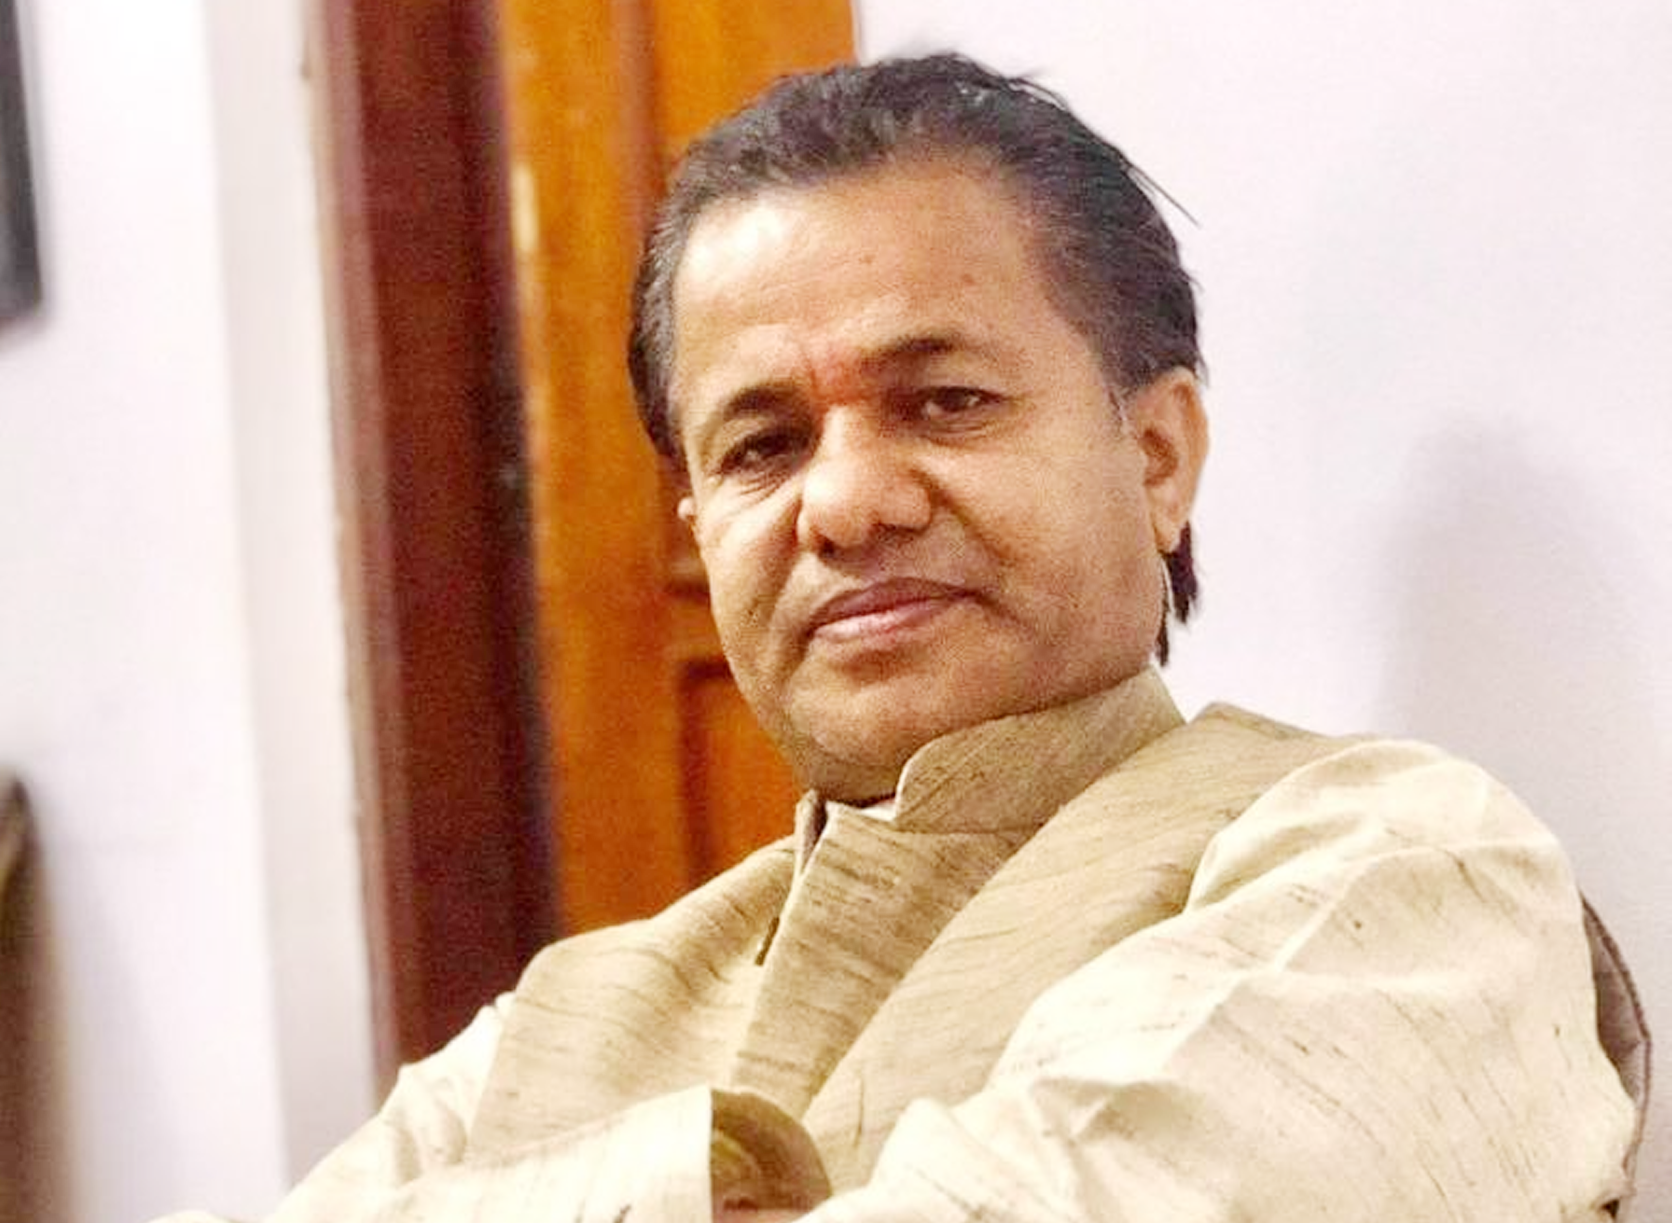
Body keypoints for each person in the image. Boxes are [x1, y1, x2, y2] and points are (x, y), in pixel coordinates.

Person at [162, 54, 1644, 1223]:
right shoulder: (558, 1020)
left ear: (1157, 455)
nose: (846, 504)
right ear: (701, 527)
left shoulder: (1402, 869)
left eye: (946, 402)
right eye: (762, 444)